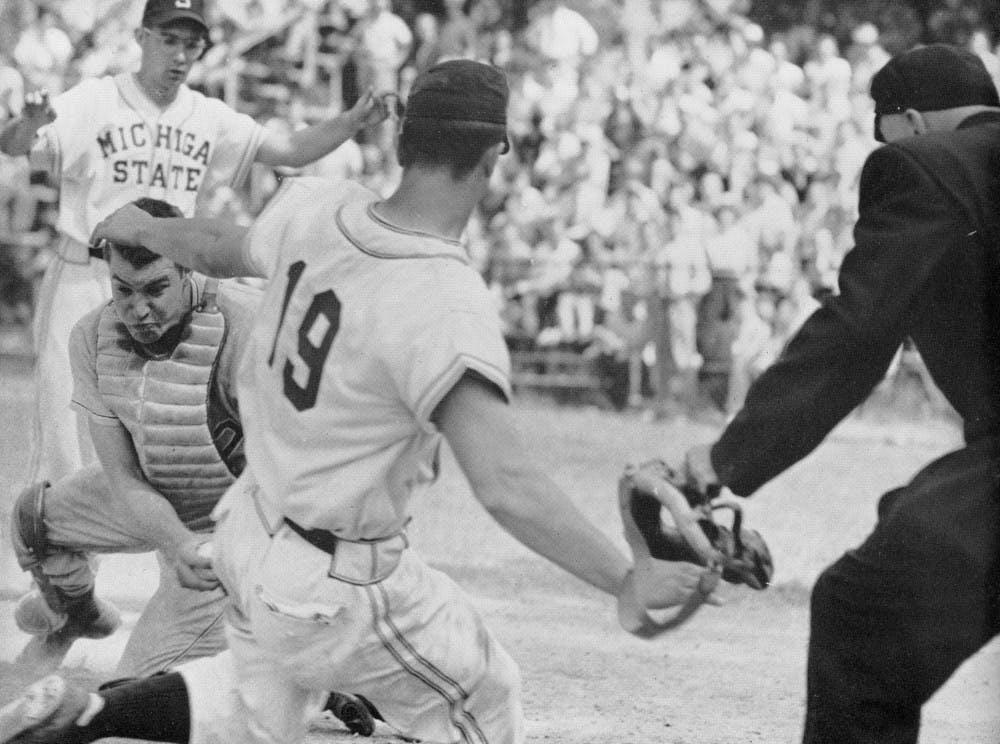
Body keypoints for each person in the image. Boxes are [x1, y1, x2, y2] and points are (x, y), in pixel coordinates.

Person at [0, 59, 718, 744]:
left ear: (401, 136)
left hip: (250, 536)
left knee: (250, 708)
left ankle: (84, 714)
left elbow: (220, 246)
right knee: (483, 694)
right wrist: (624, 580)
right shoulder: (445, 297)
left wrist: (149, 230)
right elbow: (507, 485)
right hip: (336, 575)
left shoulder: (321, 207)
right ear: (496, 152)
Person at [683, 44, 1000, 744]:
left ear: (910, 122)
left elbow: (857, 335)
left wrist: (723, 462)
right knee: (914, 519)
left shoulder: (926, 164)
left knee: (862, 615)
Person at [9, 196, 379, 737]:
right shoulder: (90, 336)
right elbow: (123, 478)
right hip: (155, 494)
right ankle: (78, 615)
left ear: (188, 270)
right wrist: (174, 542)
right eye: (122, 290)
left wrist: (237, 559)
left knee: (126, 701)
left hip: (232, 528)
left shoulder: (246, 325)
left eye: (155, 288)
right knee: (35, 520)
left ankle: (306, 666)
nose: (137, 309)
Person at [0, 0, 387, 487]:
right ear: (140, 38)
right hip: (89, 274)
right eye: (169, 39)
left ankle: (170, 558)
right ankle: (63, 555)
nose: (180, 55)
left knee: (170, 432)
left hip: (168, 287)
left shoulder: (207, 114)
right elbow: (15, 147)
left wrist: (350, 122)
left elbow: (287, 149)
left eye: (192, 43)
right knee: (66, 438)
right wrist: (31, 121)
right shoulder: (96, 100)